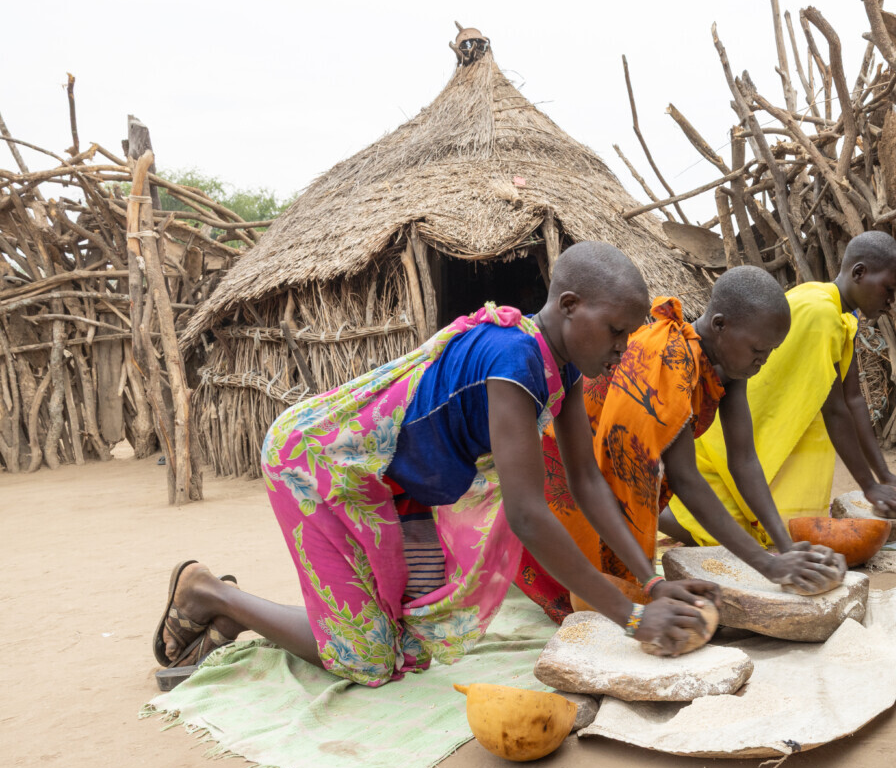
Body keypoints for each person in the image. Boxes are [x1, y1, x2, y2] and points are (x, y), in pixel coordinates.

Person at [151, 242, 719, 688]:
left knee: (415, 639)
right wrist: (630, 616)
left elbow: (586, 481)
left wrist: (646, 580)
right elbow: (527, 514)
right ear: (570, 306)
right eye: (617, 330)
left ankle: (253, 618)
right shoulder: (513, 359)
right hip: (320, 465)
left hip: (396, 488)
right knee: (367, 661)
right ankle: (211, 594)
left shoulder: (562, 366)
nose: (624, 347)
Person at [514, 267, 845, 622]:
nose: (761, 362)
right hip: (569, 466)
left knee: (625, 587)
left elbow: (744, 460)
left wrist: (784, 548)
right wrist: (766, 564)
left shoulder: (729, 369)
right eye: (757, 350)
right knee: (594, 600)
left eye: (769, 353)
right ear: (720, 325)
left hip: (605, 476)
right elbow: (686, 479)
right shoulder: (672, 357)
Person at [662, 231, 896, 549]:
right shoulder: (820, 313)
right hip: (730, 437)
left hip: (749, 433)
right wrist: (870, 485)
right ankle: (638, 512)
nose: (891, 301)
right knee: (735, 534)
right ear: (859, 273)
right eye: (889, 289)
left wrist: (884, 477)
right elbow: (835, 409)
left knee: (767, 534)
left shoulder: (837, 314)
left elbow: (853, 399)